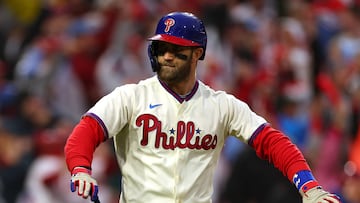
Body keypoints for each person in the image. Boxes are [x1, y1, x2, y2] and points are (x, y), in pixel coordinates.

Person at [64, 12, 341, 203]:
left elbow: (271, 140)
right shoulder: (130, 97)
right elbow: (87, 129)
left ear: (198, 53)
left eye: (177, 49)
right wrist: (80, 168)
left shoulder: (220, 105)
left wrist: (308, 184)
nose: (167, 55)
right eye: (162, 48)